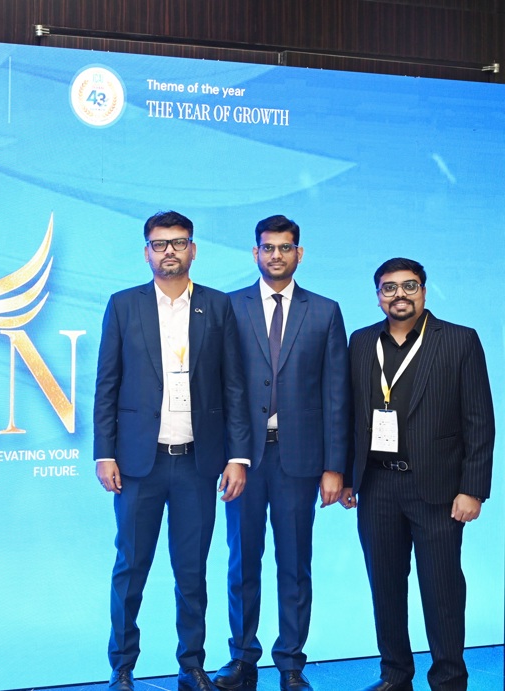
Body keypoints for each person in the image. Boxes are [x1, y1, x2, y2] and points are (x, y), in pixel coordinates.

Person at [94, 210, 252, 691]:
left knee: (192, 571)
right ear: (146, 252)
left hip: (197, 464)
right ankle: (122, 667)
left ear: (193, 250)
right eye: (159, 244)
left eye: (178, 242)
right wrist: (104, 452)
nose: (169, 251)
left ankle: (191, 664)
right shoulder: (124, 305)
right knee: (130, 568)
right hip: (138, 464)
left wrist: (238, 456)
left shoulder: (217, 306)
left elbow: (234, 386)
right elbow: (106, 384)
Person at [342, 257, 494, 691]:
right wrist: (349, 476)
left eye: (409, 286)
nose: (400, 295)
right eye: (389, 288)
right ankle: (395, 675)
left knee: (442, 590)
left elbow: (479, 420)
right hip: (376, 484)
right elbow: (351, 415)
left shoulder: (460, 340)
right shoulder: (361, 341)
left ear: (424, 291)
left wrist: (473, 489)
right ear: (378, 297)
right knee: (385, 588)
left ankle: (449, 679)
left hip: (438, 489)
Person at [213, 215, 350, 691]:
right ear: (255, 253)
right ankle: (241, 659)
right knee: (241, 562)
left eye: (285, 248)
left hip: (301, 461)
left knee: (294, 565)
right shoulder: (229, 306)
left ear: (299, 254)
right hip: (243, 460)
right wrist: (228, 454)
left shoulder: (325, 311)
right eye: (268, 248)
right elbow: (219, 386)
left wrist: (335, 466)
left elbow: (336, 394)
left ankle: (291, 662)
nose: (276, 255)